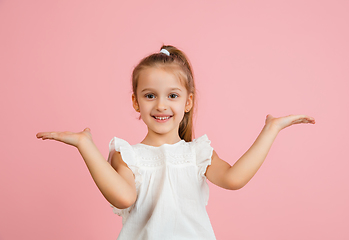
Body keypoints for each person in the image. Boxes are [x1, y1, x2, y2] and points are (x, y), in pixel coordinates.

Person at [36, 45, 315, 239]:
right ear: (135, 101)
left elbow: (234, 178)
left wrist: (271, 129)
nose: (161, 105)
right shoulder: (128, 155)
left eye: (172, 96)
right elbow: (124, 197)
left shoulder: (197, 153)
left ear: (188, 101)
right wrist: (86, 146)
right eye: (149, 95)